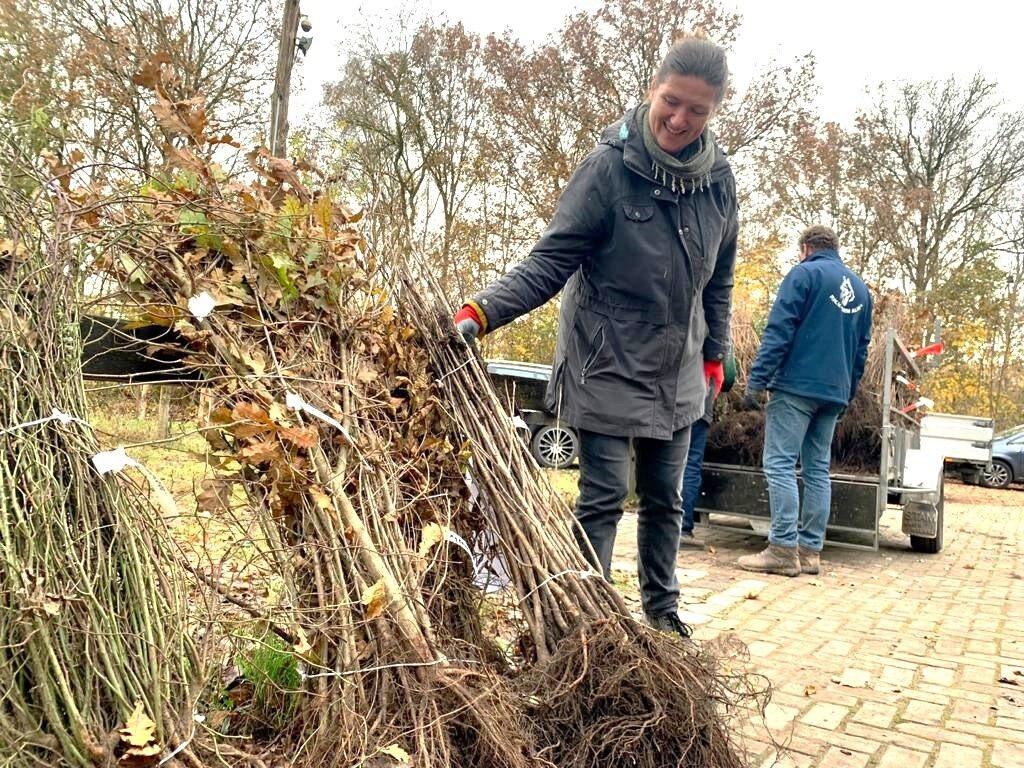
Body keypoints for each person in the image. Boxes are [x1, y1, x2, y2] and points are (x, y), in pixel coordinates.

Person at [453, 37, 738, 638]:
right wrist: (482, 310)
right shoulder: (609, 167)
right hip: (605, 358)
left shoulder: (717, 180)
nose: (680, 120)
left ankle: (662, 615)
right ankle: (589, 627)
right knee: (604, 496)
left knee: (665, 500)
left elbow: (719, 275)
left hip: (680, 368)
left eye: (698, 111)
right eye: (672, 102)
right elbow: (550, 261)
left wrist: (716, 352)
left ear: (714, 112)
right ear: (652, 89)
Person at [737, 225, 872, 577]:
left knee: (780, 463)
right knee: (817, 470)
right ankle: (810, 551)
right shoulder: (859, 289)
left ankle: (782, 549)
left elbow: (779, 330)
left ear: (805, 248)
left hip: (797, 387)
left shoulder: (804, 274)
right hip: (834, 392)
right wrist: (848, 391)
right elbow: (861, 350)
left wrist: (756, 383)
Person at [678, 350, 734, 547]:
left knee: (672, 463)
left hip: (679, 400)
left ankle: (667, 526)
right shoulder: (716, 347)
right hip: (702, 405)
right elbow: (721, 378)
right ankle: (684, 528)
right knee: (691, 466)